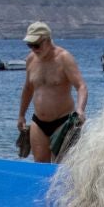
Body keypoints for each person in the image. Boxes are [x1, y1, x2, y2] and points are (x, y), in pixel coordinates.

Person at [17, 22, 88, 164]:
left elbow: (81, 86)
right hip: (38, 122)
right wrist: (21, 115)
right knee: (40, 165)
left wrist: (80, 109)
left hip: (63, 122)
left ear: (47, 40)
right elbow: (28, 89)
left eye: (37, 45)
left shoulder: (64, 58)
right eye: (30, 45)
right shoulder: (31, 59)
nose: (34, 49)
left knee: (63, 165)